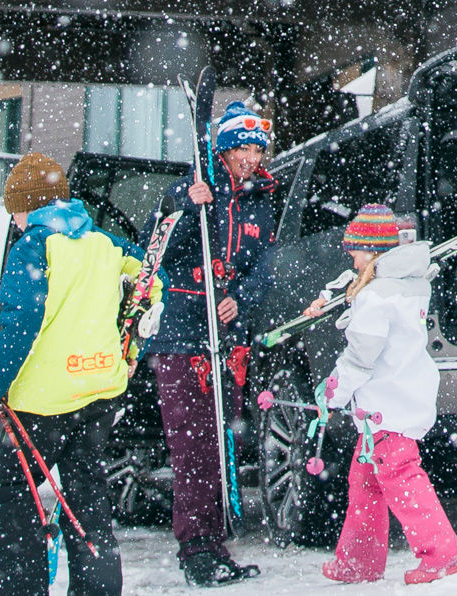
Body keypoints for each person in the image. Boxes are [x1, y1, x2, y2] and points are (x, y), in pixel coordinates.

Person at [0, 157, 145, 596]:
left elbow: (20, 323)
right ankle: (98, 588)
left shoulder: (33, 247)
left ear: (30, 206)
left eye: (16, 211)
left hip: (43, 401)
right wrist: (131, 348)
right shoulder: (105, 243)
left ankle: (19, 588)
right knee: (87, 494)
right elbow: (153, 281)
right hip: (98, 394)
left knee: (15, 490)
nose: (15, 222)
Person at [142, 101, 283, 586]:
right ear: (223, 150)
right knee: (193, 446)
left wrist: (239, 298)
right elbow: (153, 252)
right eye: (244, 149)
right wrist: (186, 207)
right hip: (183, 337)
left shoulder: (260, 198)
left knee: (224, 443)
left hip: (227, 340)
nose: (252, 158)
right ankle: (196, 547)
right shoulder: (189, 189)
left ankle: (216, 541)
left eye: (258, 150)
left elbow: (263, 264)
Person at [305, 205, 457, 584]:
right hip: (390, 404)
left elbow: (360, 358)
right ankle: (357, 561)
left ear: (374, 252)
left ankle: (441, 556)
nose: (352, 259)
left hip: (388, 409)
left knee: (402, 479)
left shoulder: (376, 298)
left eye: (356, 251)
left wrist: (332, 392)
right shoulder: (402, 287)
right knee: (364, 483)